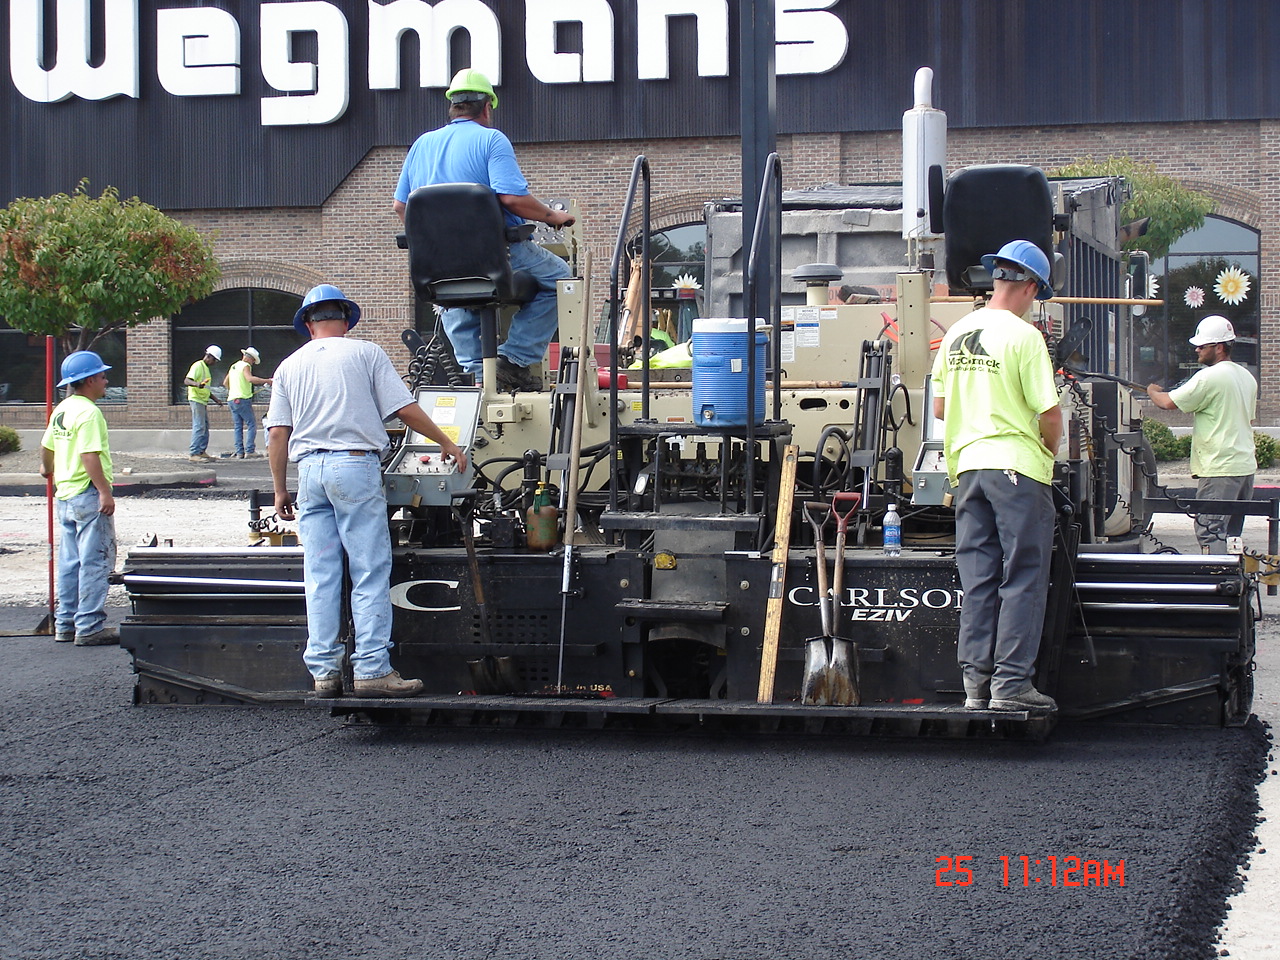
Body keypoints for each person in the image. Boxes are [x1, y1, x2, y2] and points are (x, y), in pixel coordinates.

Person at [265, 284, 468, 698]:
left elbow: (277, 435)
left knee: (320, 575)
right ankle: (372, 668)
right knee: (369, 570)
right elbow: (405, 409)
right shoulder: (366, 353)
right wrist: (447, 443)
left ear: (307, 323)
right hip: (354, 467)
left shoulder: (288, 366)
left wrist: (279, 490)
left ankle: (324, 673)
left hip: (309, 473)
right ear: (346, 319)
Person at [930, 239, 1064, 713]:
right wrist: (1047, 454)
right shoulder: (1024, 337)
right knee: (1023, 575)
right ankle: (1011, 686)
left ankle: (974, 688)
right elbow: (1050, 414)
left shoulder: (956, 332)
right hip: (1016, 470)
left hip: (968, 469)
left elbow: (942, 409)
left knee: (979, 577)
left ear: (997, 279)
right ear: (1030, 287)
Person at [392, 68, 575, 392]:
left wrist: (436, 241)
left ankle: (479, 373)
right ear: (487, 107)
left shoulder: (421, 145)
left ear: (453, 107)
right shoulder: (491, 140)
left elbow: (401, 206)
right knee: (563, 281)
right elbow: (512, 199)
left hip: (438, 262)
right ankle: (514, 360)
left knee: (450, 294)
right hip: (498, 253)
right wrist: (551, 217)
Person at [1147, 315, 1258, 554]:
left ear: (1219, 347)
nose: (1197, 349)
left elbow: (1167, 402)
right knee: (1231, 534)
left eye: (1202, 345)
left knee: (1210, 530)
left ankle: (1219, 581)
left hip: (1220, 468)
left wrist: (1151, 390)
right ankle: (1236, 579)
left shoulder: (1211, 377)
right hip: (1244, 468)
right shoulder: (1246, 377)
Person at [39, 351, 119, 646]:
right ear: (88, 380)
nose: (105, 380)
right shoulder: (89, 412)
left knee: (70, 561)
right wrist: (105, 492)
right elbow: (89, 455)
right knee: (96, 561)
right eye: (101, 376)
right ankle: (89, 626)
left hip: (65, 494)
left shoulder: (62, 409)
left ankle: (66, 623)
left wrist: (47, 469)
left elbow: (47, 446)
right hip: (87, 494)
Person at [223, 346, 272, 458]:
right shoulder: (246, 366)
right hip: (242, 399)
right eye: (254, 361)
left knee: (238, 426)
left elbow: (225, 382)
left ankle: (239, 452)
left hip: (231, 399)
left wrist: (234, 389)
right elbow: (250, 379)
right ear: (250, 358)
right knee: (251, 424)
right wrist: (267, 381)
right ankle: (250, 450)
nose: (253, 363)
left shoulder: (234, 366)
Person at [184, 344, 223, 462]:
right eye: (214, 360)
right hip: (196, 399)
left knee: (205, 427)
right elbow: (187, 380)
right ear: (209, 357)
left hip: (202, 400)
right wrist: (197, 384)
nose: (215, 363)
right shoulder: (197, 365)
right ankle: (194, 453)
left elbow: (205, 388)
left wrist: (216, 400)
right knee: (199, 426)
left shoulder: (206, 369)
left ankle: (201, 451)